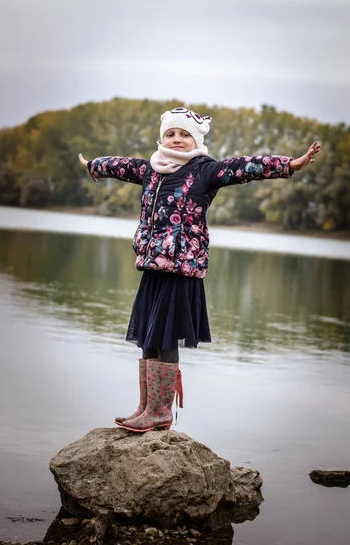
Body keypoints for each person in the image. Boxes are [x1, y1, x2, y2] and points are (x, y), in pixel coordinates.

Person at [78, 107, 320, 433]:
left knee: (164, 338)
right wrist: (94, 165)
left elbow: (244, 167)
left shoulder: (205, 171)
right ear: (162, 138)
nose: (176, 139)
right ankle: (146, 407)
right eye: (170, 134)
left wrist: (288, 165)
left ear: (196, 140)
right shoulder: (151, 169)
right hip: (153, 265)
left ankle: (161, 412)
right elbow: (120, 165)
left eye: (184, 134)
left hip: (182, 269)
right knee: (148, 337)